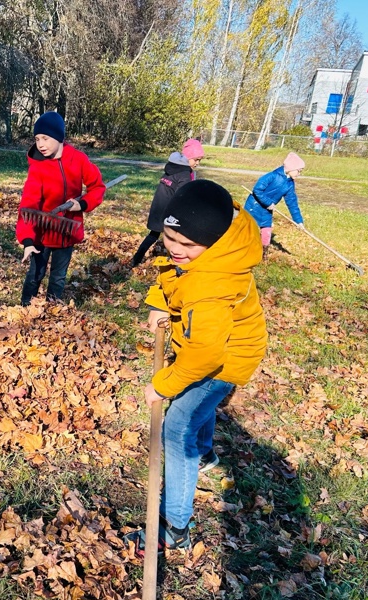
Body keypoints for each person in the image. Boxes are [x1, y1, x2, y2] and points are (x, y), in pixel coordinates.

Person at [142, 179, 268, 552]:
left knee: (177, 428)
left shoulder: (211, 284)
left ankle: (174, 528)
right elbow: (173, 275)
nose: (175, 249)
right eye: (169, 237)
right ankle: (207, 453)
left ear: (212, 244)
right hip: (211, 345)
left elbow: (206, 356)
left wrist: (164, 384)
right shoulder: (204, 255)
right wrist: (159, 300)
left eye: (187, 245)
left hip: (225, 359)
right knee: (197, 409)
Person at [15, 111, 106, 306]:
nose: (40, 144)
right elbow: (28, 205)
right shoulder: (39, 166)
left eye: (45, 138)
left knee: (58, 276)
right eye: (37, 139)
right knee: (35, 274)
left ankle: (52, 309)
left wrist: (81, 204)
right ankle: (25, 307)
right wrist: (28, 240)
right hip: (43, 232)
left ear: (59, 137)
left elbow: (97, 187)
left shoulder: (79, 159)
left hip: (67, 231)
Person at [131, 139, 204, 267]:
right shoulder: (184, 174)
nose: (197, 163)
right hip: (172, 212)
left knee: (154, 235)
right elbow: (183, 195)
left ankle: (136, 259)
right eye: (195, 159)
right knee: (178, 239)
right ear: (187, 157)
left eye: (199, 160)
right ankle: (177, 266)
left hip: (159, 208)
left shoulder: (172, 168)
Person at [243, 152, 306, 257]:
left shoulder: (290, 183)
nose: (299, 174)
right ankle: (242, 247)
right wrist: (268, 202)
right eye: (298, 171)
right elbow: (257, 190)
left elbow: (292, 202)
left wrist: (298, 221)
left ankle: (263, 253)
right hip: (254, 206)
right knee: (247, 228)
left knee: (266, 230)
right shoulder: (272, 176)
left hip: (267, 209)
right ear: (290, 168)